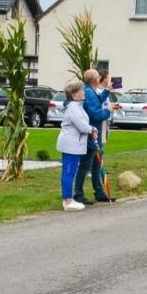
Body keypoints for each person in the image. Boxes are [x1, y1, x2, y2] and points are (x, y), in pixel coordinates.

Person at [78, 69, 115, 204]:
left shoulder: (91, 91)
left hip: (95, 136)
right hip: (91, 136)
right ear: (94, 79)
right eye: (98, 76)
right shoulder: (88, 92)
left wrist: (107, 90)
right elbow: (96, 114)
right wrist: (108, 110)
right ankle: (78, 193)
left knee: (96, 165)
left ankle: (99, 192)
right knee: (85, 166)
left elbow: (98, 99)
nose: (100, 78)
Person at [55, 80, 93, 211]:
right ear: (73, 94)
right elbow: (82, 126)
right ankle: (68, 200)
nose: (83, 92)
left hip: (73, 143)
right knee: (69, 172)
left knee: (70, 171)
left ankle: (68, 199)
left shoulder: (76, 106)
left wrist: (91, 129)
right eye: (80, 91)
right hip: (71, 144)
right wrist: (92, 129)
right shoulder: (73, 108)